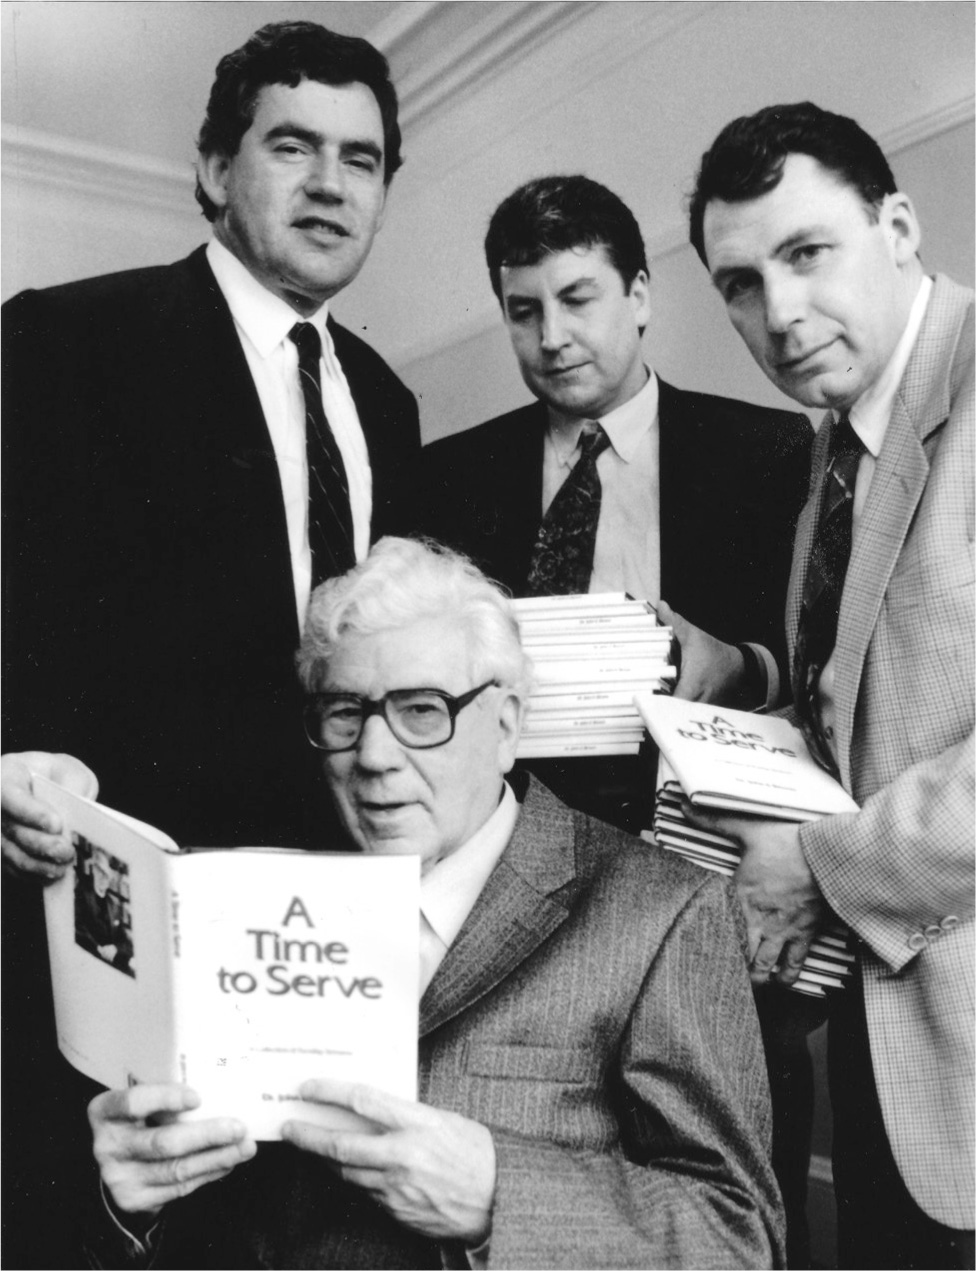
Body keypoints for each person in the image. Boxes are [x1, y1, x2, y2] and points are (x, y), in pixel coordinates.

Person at [1, 21, 419, 1267]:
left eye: (362, 158)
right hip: (115, 923)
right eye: (291, 146)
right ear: (210, 169)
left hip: (325, 924)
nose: (330, 183)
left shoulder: (387, 400)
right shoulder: (62, 337)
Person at [82, 536, 785, 1270]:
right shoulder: (247, 903)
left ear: (508, 723)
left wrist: (496, 1192)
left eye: (422, 710)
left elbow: (738, 1236)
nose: (376, 755)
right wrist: (133, 1207)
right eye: (346, 712)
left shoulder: (662, 913)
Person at [689, 101, 974, 1268]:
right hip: (885, 1042)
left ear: (897, 226)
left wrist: (815, 864)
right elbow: (876, 694)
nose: (781, 313)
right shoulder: (837, 447)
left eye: (808, 254)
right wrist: (742, 691)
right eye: (742, 283)